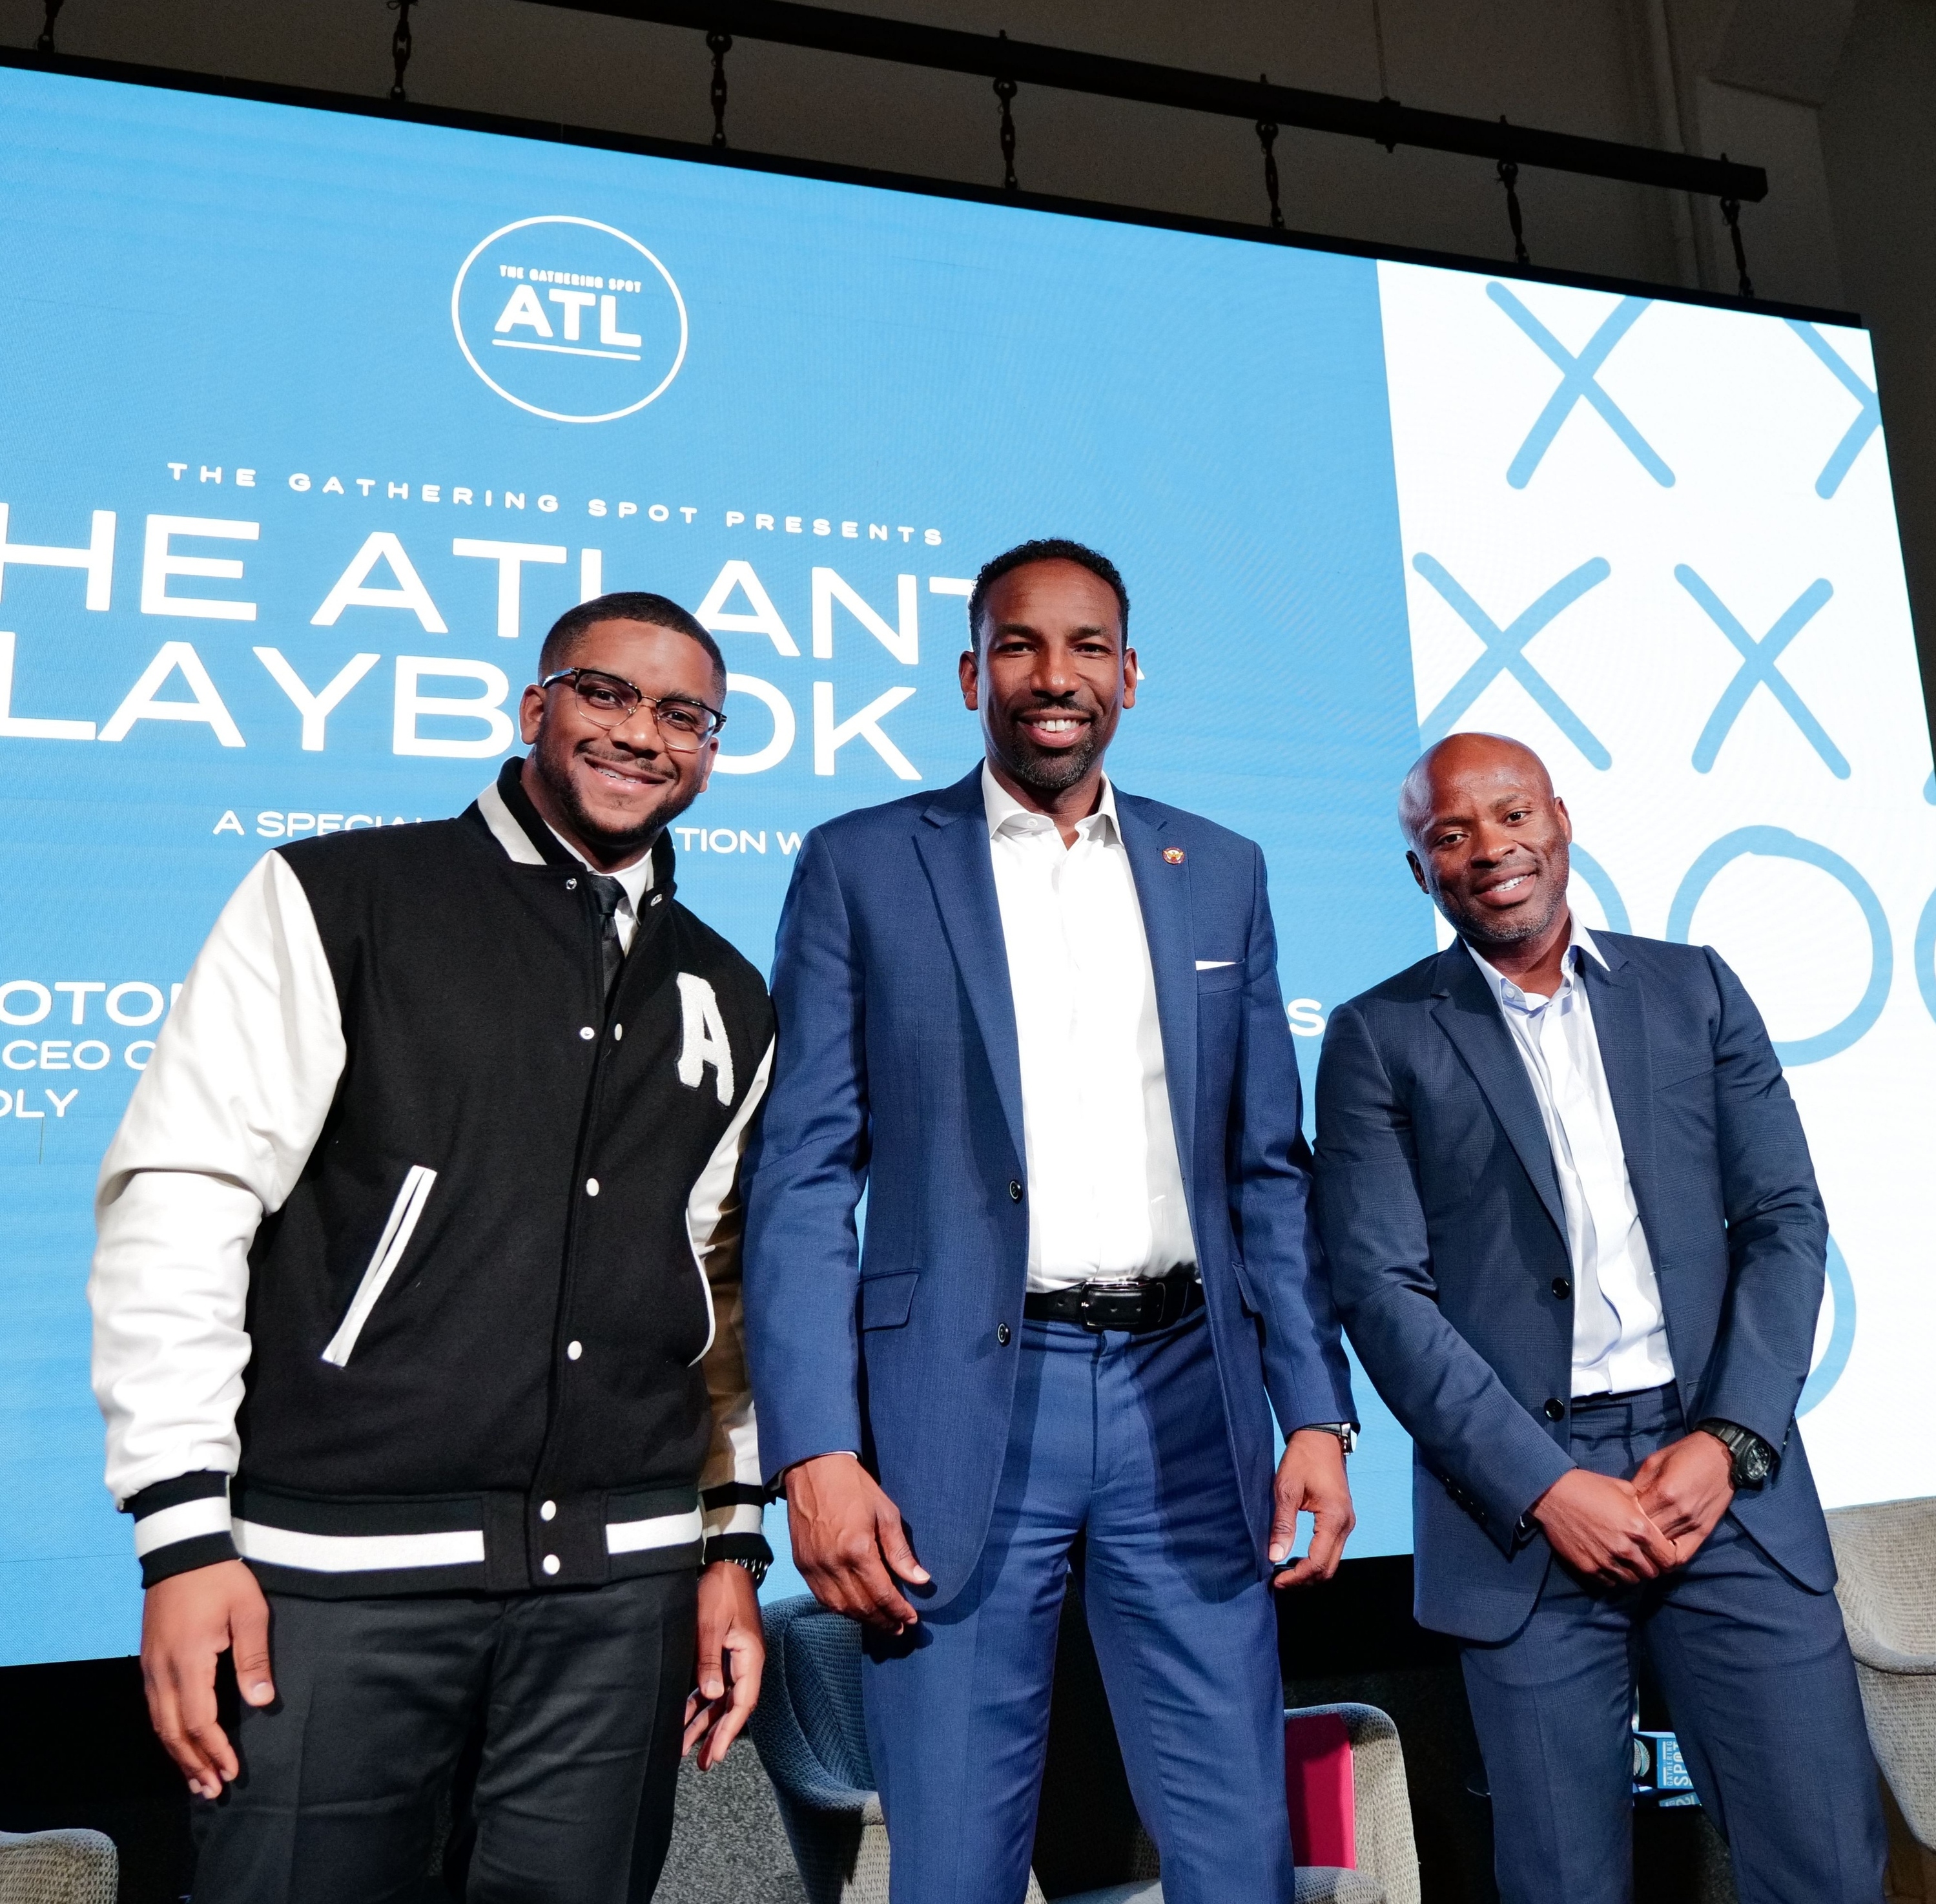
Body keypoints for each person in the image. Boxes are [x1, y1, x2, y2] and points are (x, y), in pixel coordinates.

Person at [89, 592, 778, 1904]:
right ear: (534, 708)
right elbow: (181, 1199)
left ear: (709, 749)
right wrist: (181, 1532)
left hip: (619, 1595)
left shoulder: (729, 990)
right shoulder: (338, 897)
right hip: (334, 1582)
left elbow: (722, 1290)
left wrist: (729, 1543)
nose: (642, 733)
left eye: (683, 714)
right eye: (606, 693)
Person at [741, 538, 1358, 1904]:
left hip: (1187, 1397)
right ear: (972, 674)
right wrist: (815, 1448)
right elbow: (801, 1176)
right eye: (1017, 644)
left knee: (1235, 1849)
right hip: (956, 1410)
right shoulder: (862, 864)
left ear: (1129, 674)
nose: (1052, 674)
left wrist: (1315, 1413)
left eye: (1085, 646)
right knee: (953, 1859)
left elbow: (1266, 1168)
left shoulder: (1221, 868)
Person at [1313, 731, 1885, 1904]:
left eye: (1511, 814)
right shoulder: (1379, 1035)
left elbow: (1783, 1219)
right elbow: (1380, 1291)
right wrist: (1544, 1484)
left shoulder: (1694, 988)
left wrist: (1728, 1438)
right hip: (1520, 1510)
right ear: (1420, 870)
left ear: (1560, 821)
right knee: (1560, 1882)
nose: (1490, 847)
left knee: (1824, 1864)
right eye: (1450, 834)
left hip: (1723, 1475)